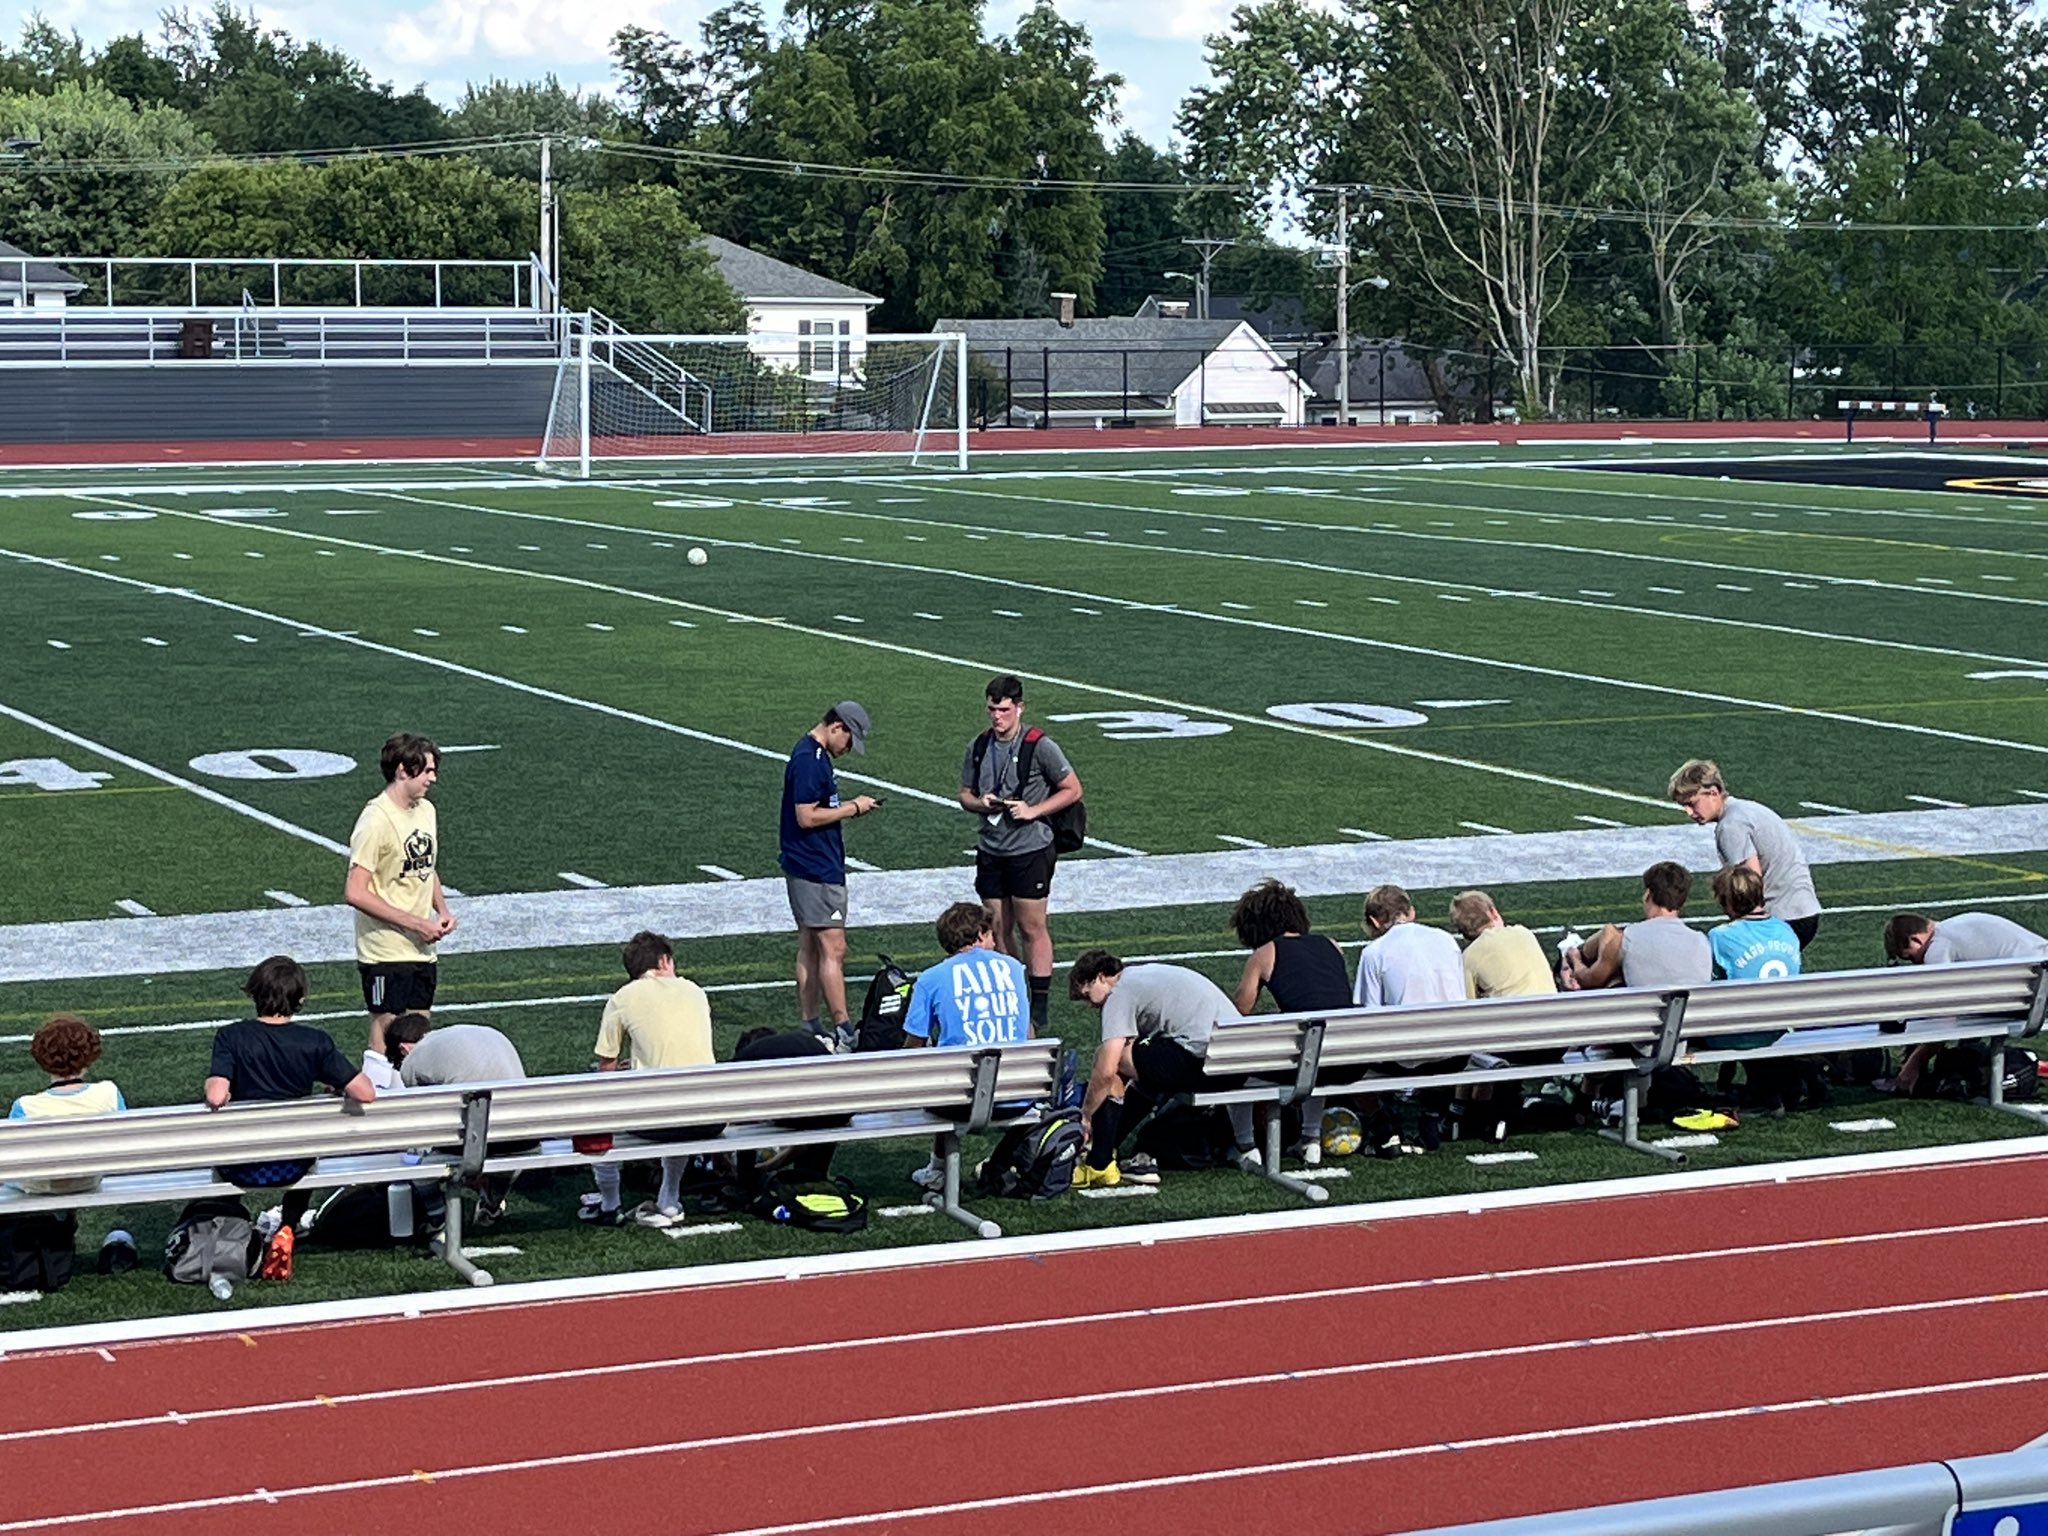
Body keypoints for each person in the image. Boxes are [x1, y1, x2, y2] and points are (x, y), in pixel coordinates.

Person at [205, 955, 376, 1280]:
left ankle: (237, 1230)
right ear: (299, 999)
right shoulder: (314, 1042)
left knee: (224, 1150)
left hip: (240, 1164)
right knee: (305, 1147)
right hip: (292, 1163)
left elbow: (216, 1095)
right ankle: (287, 1225)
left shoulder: (231, 1037)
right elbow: (365, 1092)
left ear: (255, 993)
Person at [959, 674, 1083, 1033]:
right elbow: (964, 793)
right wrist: (978, 803)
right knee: (997, 928)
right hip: (991, 846)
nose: (996, 717)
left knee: (1032, 926)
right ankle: (1013, 992)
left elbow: (1072, 789)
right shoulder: (979, 745)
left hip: (1030, 848)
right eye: (991, 709)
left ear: (1019, 708)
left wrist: (1034, 810)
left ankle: (1039, 1001)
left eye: (1003, 710)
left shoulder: (1040, 745)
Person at [1070, 950, 1239, 1187]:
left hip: (1203, 1062)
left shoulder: (1119, 992)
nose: (1091, 1005)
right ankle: (1107, 1146)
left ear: (1101, 977)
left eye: (1088, 996)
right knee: (1144, 1068)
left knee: (1113, 1059)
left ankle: (1100, 1161)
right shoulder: (1145, 974)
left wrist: (1086, 1114)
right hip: (1237, 1066)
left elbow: (1107, 1069)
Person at [582, 930, 716, 1229]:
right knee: (678, 1097)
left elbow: (606, 1068)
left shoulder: (623, 997)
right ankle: (669, 1196)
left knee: (596, 1113)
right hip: (709, 1114)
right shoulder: (695, 991)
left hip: (660, 1118)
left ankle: (610, 1202)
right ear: (665, 961)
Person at [902, 902, 1032, 1190]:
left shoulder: (930, 979)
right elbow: (1026, 1031)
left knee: (945, 1065)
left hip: (959, 1102)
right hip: (1020, 1095)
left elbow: (913, 1047)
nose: (996, 940)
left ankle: (937, 1169)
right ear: (980, 934)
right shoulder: (1013, 968)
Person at [345, 732, 455, 1060]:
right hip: (385, 950)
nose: (433, 778)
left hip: (422, 947)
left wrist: (441, 909)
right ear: (402, 771)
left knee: (420, 1030)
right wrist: (415, 923)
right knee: (386, 1028)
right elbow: (354, 891)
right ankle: (380, 1091)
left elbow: (425, 867)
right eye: (426, 771)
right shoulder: (375, 821)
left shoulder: (426, 811)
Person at [780, 701, 877, 1050]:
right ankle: (843, 1027)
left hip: (807, 865)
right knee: (833, 947)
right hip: (817, 867)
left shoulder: (809, 754)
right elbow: (806, 816)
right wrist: (853, 808)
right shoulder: (811, 760)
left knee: (810, 944)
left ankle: (811, 1024)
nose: (848, 750)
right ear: (837, 727)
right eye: (849, 741)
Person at [1230, 878, 1349, 1164]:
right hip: (1345, 1057)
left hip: (1307, 1063)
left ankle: (1245, 1147)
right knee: (1318, 1045)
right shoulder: (1331, 945)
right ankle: (1310, 1139)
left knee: (1236, 1063)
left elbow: (1238, 1012)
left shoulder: (1265, 953)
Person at [379, 1012, 529, 1224]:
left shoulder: (414, 1059)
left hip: (477, 1141)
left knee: (417, 1162)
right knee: (500, 1149)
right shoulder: (476, 1032)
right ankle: (491, 1204)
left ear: (404, 1049)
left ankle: (437, 1219)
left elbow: (423, 1121)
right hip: (523, 1136)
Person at [1879, 911, 2048, 1094]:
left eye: (1911, 957)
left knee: (1934, 1009)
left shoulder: (1938, 947)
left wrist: (1913, 1064)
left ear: (1916, 940)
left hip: (2028, 999)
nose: (1916, 964)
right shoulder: (1960, 922)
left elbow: (1945, 1017)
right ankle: (1968, 1057)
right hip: (2038, 985)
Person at [1668, 759, 1821, 949]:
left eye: (1692, 803)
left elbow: (1749, 884)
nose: (1689, 812)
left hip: (1782, 915)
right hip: (1803, 908)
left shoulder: (1731, 826)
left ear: (1713, 792)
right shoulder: (1747, 809)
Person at [1704, 864, 1808, 1113]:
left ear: (1727, 901)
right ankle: (1779, 1087)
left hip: (1740, 1028)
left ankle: (1763, 1093)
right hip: (1779, 1026)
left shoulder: (1720, 936)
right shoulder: (1787, 930)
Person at [7, 1015, 126, 1195]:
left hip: (40, 1184)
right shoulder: (108, 1092)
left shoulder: (26, 1106)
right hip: (89, 1179)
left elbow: (12, 1155)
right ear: (89, 1055)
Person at [1563, 862, 1712, 990]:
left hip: (1646, 1021)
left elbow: (1589, 980)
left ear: (1648, 894)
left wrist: (1575, 959)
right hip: (1694, 1020)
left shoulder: (1628, 938)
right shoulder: (1702, 941)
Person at [1354, 885, 1465, 1007]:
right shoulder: (1446, 939)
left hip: (1407, 1024)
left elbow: (1371, 1010)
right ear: (1411, 912)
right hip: (1455, 1021)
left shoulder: (1373, 953)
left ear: (1375, 921)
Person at [1449, 891, 1557, 999]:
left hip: (1513, 1011)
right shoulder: (1524, 933)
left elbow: (1468, 1003)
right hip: (1553, 1005)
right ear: (1494, 912)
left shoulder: (1470, 956)